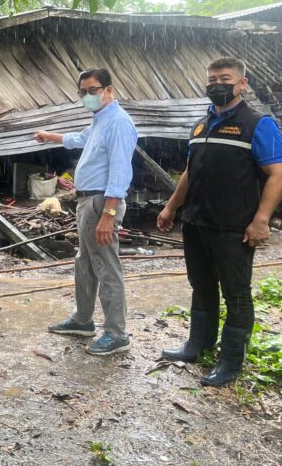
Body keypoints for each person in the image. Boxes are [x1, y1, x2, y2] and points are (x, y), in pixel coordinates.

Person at [157, 57, 282, 387]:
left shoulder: (259, 124)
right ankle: (197, 345)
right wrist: (171, 207)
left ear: (242, 83)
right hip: (197, 222)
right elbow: (189, 171)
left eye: (224, 78)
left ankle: (230, 361)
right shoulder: (200, 125)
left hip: (233, 227)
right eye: (211, 79)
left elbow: (277, 175)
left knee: (236, 293)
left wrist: (261, 219)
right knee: (201, 285)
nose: (216, 84)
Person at [35, 68, 138, 355]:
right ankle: (83, 320)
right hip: (86, 202)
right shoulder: (100, 121)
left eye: (92, 90)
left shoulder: (118, 122)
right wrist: (49, 136)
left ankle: (117, 334)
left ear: (109, 90)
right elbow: (79, 139)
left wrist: (108, 214)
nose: (87, 96)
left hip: (101, 202)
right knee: (85, 262)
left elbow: (120, 170)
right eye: (82, 92)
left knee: (106, 265)